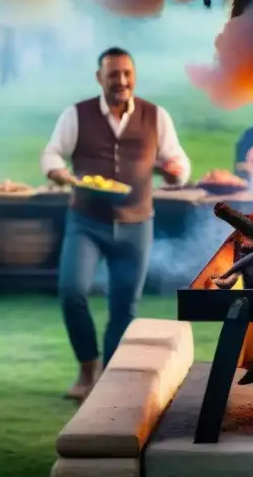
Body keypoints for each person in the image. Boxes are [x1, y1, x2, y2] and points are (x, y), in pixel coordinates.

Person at [42, 47, 190, 401]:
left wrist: (175, 173)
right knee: (72, 292)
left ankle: (107, 379)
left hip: (137, 223)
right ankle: (86, 367)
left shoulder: (156, 116)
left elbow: (178, 161)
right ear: (100, 78)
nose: (121, 81)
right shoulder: (76, 115)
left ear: (133, 76)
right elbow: (52, 153)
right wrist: (59, 173)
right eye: (113, 75)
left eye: (126, 73)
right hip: (86, 221)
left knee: (124, 306)